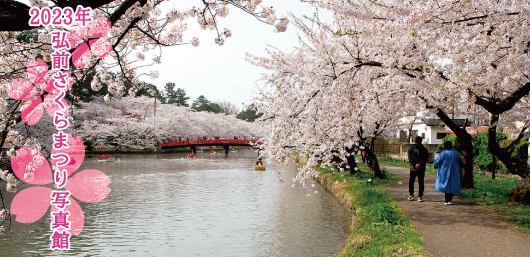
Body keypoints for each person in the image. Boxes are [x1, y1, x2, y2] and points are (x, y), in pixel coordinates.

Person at [433, 141, 461, 205]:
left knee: (445, 185)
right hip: (454, 171)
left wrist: (435, 166)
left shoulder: (444, 153)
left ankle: (446, 200)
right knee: (452, 185)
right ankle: (449, 200)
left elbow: (437, 162)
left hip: (445, 171)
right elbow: (458, 161)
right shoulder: (455, 153)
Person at [408, 136, 429, 202]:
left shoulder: (411, 149)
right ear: (421, 141)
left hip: (413, 168)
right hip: (421, 168)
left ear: (415, 141)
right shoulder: (424, 149)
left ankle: (411, 195)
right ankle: (420, 196)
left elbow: (410, 158)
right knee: (421, 182)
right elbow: (426, 159)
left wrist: (414, 165)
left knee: (411, 182)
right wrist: (420, 164)